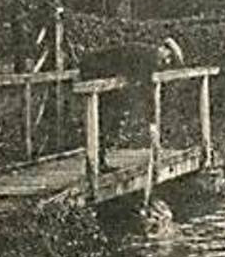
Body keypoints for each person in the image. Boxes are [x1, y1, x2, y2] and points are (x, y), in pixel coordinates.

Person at [78, 37, 184, 170]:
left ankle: (99, 161)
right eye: (168, 57)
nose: (166, 62)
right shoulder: (148, 57)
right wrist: (151, 123)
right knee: (104, 117)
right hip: (94, 68)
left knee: (109, 117)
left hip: (103, 73)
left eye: (169, 60)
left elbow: (139, 85)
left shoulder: (148, 56)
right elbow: (147, 91)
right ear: (162, 48)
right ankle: (95, 164)